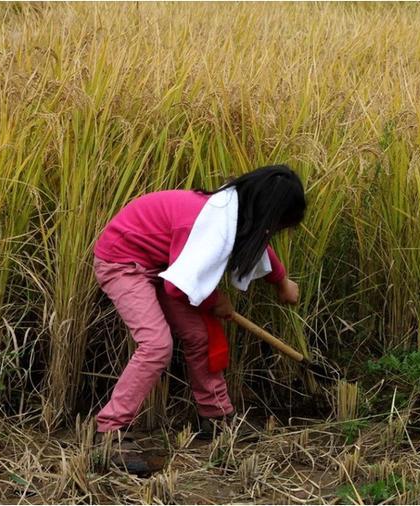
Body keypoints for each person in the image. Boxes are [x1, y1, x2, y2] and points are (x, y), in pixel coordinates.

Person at [92, 165, 305, 473]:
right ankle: (109, 433)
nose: (272, 232)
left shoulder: (235, 211)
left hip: (164, 264)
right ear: (266, 212)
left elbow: (258, 244)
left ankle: (215, 416)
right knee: (156, 345)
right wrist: (215, 301)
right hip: (124, 261)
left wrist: (281, 281)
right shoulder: (210, 224)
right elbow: (177, 288)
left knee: (199, 336)